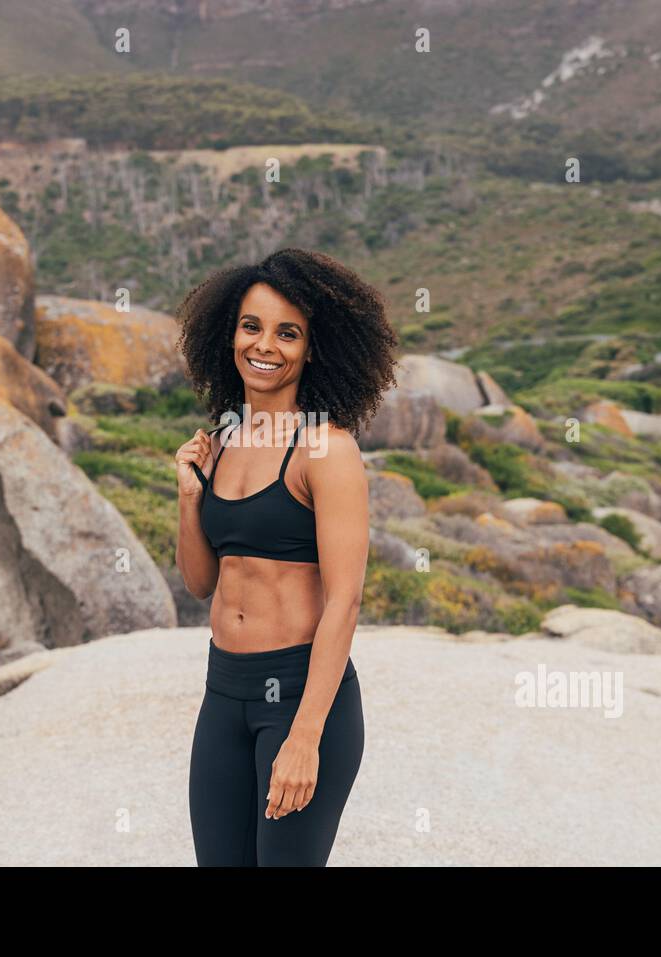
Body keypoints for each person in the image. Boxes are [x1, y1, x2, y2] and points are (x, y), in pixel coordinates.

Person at [173, 247, 399, 866]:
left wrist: (306, 736)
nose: (264, 345)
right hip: (222, 694)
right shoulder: (220, 441)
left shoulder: (326, 449)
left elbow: (345, 600)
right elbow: (198, 582)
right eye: (251, 326)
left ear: (312, 348)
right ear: (230, 334)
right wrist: (190, 496)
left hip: (300, 698)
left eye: (287, 332)